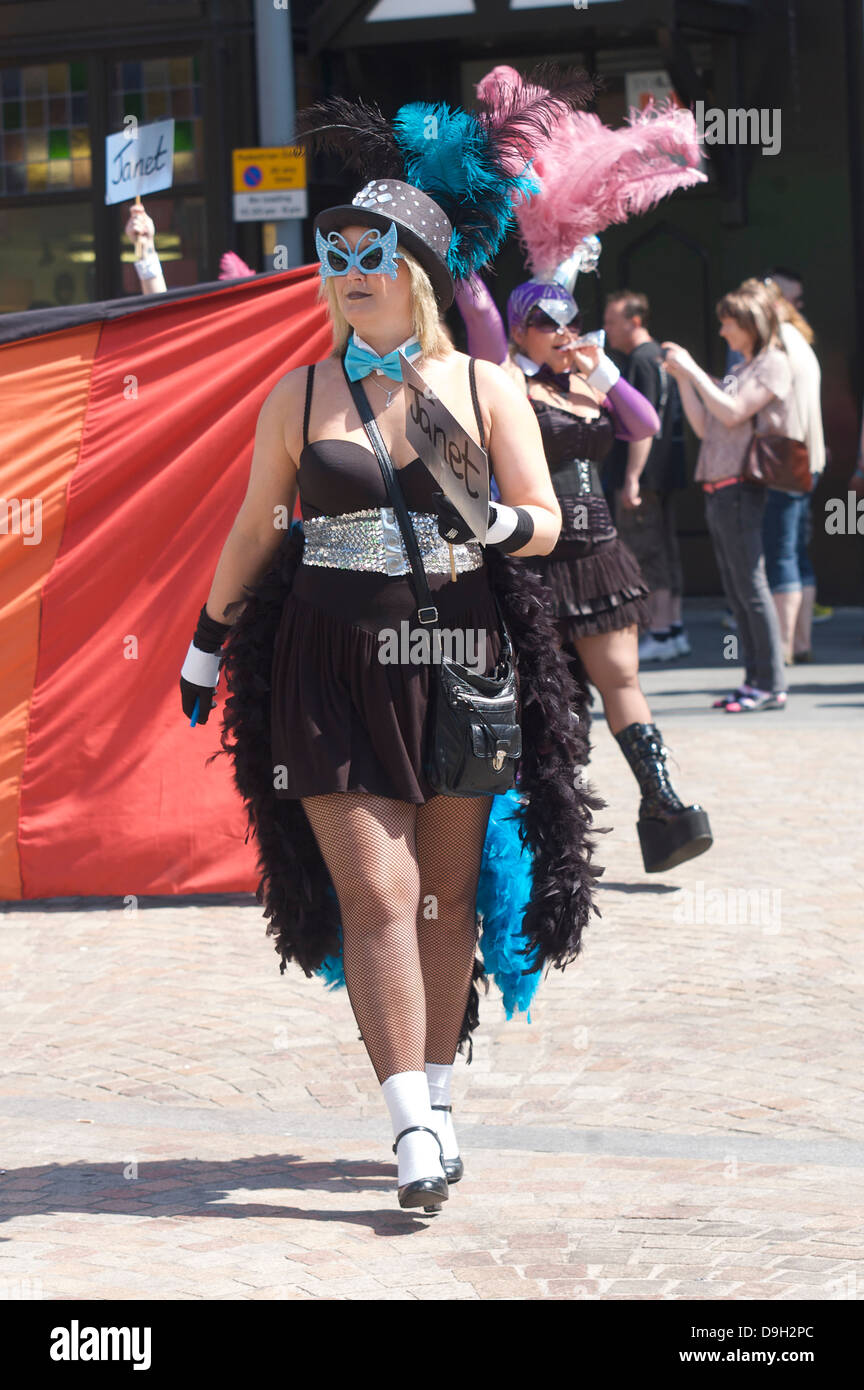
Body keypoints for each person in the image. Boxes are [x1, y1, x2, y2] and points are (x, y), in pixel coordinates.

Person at [177, 88, 601, 1214]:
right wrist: (207, 644)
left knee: (444, 900)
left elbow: (546, 521)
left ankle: (440, 1093)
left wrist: (500, 521)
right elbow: (255, 527)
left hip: (460, 657)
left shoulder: (484, 384)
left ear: (417, 270)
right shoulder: (299, 393)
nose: (352, 270)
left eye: (374, 254)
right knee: (378, 888)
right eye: (337, 254)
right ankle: (408, 1120)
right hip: (328, 661)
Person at [457, 274, 713, 875]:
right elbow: (479, 315)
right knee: (551, 704)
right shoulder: (504, 376)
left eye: (568, 319)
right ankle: (555, 833)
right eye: (545, 322)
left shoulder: (585, 381)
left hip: (598, 558)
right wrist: (456, 250)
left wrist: (604, 374)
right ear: (519, 330)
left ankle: (662, 804)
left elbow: (644, 425)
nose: (561, 331)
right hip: (533, 560)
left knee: (622, 678)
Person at [662, 280, 794, 712]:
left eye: (728, 323)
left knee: (751, 586)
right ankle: (754, 680)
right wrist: (685, 380)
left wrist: (693, 369)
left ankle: (770, 683)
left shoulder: (773, 364)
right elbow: (707, 426)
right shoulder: (743, 368)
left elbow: (734, 413)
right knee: (738, 590)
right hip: (719, 487)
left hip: (742, 487)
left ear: (750, 323)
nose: (722, 331)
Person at [603, 290, 690, 661]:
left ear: (634, 322)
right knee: (665, 548)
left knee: (645, 551)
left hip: (647, 476)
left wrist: (633, 477)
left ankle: (660, 630)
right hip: (666, 472)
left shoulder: (641, 360)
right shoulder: (659, 357)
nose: (606, 329)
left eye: (612, 321)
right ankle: (674, 629)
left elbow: (643, 425)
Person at [748, 277, 825, 663]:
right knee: (793, 550)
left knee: (779, 552)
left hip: (785, 459)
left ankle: (783, 648)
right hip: (806, 455)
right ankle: (801, 642)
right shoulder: (799, 338)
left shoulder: (779, 344)